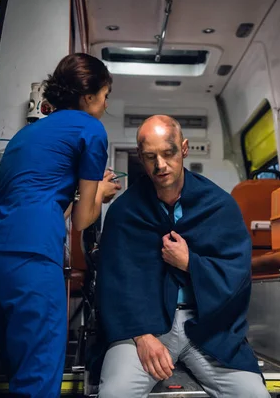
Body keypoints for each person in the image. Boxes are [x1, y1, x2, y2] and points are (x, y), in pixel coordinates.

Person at [0, 53, 121, 397]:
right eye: (105, 95)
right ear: (89, 97)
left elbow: (50, 206)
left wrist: (87, 192)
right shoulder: (91, 130)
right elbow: (83, 220)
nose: (105, 103)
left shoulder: (26, 136)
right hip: (33, 260)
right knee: (37, 383)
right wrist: (100, 191)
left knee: (20, 375)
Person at [95, 115, 270, 398]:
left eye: (168, 153)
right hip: (142, 327)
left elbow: (237, 276)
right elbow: (112, 285)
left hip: (207, 327)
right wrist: (142, 337)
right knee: (114, 393)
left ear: (184, 149)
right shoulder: (124, 212)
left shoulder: (219, 205)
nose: (160, 165)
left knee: (253, 395)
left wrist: (191, 263)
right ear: (140, 157)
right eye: (150, 156)